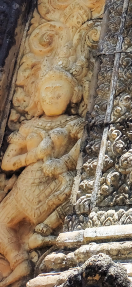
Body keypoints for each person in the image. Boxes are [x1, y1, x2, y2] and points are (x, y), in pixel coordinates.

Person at [0, 68, 84, 287]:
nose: (52, 96)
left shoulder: (73, 123)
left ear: (73, 95)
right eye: (47, 90)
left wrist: (64, 162)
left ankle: (43, 231)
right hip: (25, 186)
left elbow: (85, 143)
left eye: (59, 90)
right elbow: (7, 163)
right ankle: (19, 262)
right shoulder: (29, 126)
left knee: (73, 193)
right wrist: (35, 154)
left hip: (55, 182)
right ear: (37, 95)